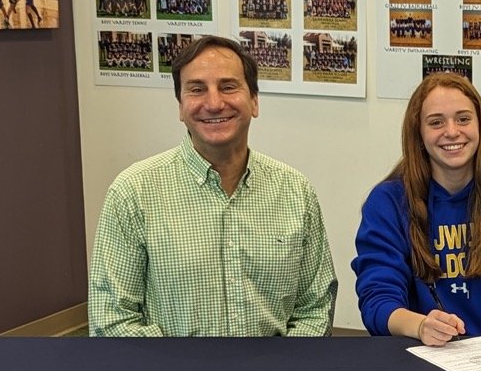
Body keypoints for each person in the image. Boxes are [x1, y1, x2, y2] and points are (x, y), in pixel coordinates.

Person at [89, 35, 337, 336]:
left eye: (228, 87)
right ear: (180, 107)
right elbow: (113, 320)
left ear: (255, 101)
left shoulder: (295, 192)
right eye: (196, 90)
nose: (214, 103)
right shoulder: (133, 193)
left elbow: (315, 308)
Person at [353, 72, 481, 345]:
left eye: (463, 118)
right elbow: (377, 299)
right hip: (415, 353)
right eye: (436, 122)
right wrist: (421, 326)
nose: (452, 131)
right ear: (418, 134)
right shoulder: (388, 202)